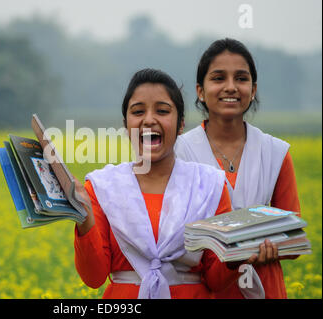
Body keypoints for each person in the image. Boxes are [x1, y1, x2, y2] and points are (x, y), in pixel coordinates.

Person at [73, 68, 272, 299]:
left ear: (180, 125)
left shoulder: (208, 186)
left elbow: (216, 279)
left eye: (162, 111)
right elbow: (93, 277)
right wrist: (84, 218)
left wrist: (241, 254)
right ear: (126, 126)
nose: (149, 119)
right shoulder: (101, 188)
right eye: (138, 112)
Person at [175, 38, 301, 299]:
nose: (230, 87)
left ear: (253, 90)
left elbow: (293, 236)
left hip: (265, 285)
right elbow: (174, 236)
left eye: (241, 79)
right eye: (219, 78)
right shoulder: (180, 152)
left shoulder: (275, 153)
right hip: (204, 289)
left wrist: (268, 246)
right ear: (200, 90)